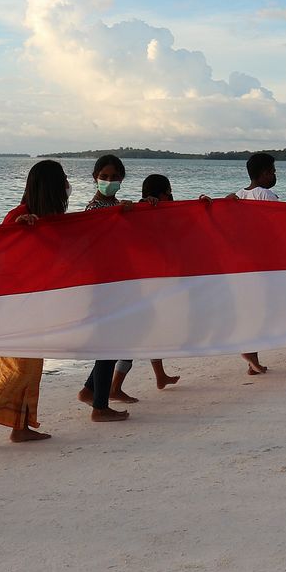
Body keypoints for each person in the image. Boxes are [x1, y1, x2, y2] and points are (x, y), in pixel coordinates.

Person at [0, 160, 69, 449]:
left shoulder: (53, 217)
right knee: (18, 368)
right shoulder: (20, 215)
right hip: (13, 306)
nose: (66, 185)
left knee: (32, 366)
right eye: (62, 180)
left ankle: (20, 427)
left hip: (36, 304)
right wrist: (18, 232)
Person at [227, 153, 286, 375]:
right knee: (266, 306)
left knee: (252, 306)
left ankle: (252, 360)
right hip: (263, 261)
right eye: (272, 171)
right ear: (263, 173)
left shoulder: (238, 195)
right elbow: (282, 223)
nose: (275, 175)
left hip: (242, 261)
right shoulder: (266, 195)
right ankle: (249, 351)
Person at [108, 173, 182, 403]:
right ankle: (114, 387)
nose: (171, 195)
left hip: (145, 283)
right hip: (139, 285)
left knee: (152, 330)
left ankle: (160, 376)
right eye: (168, 191)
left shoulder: (154, 210)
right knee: (136, 335)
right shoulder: (143, 210)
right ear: (160, 193)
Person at [76, 154, 137, 420]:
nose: (109, 181)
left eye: (114, 177)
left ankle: (90, 391)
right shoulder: (94, 210)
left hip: (116, 283)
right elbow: (96, 245)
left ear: (122, 179)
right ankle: (99, 407)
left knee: (115, 339)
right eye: (105, 177)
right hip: (102, 286)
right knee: (110, 343)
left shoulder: (115, 205)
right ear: (95, 178)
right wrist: (118, 216)